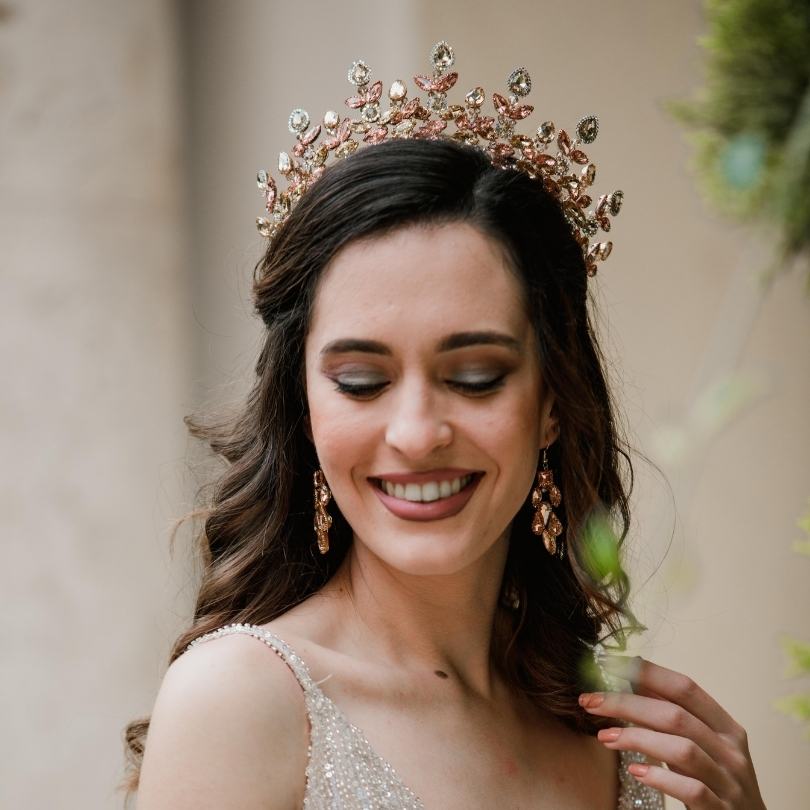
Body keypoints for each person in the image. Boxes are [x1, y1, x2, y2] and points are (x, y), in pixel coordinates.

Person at [125, 43, 766, 810]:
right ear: (304, 408)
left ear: (554, 400)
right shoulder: (243, 701)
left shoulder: (610, 728)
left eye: (475, 377)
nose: (417, 432)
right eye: (362, 382)